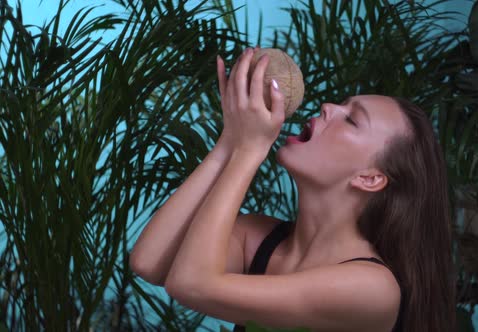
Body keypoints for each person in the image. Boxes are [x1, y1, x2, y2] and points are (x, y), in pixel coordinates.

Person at [130, 48, 455, 332]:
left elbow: (192, 285)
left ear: (370, 178)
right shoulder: (254, 239)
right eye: (342, 105)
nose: (329, 106)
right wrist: (230, 141)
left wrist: (249, 150)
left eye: (352, 120)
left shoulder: (372, 288)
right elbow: (150, 262)